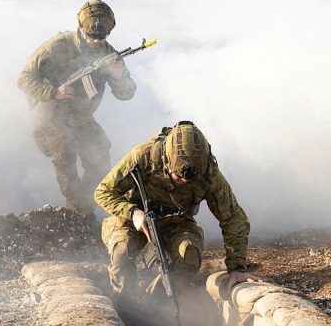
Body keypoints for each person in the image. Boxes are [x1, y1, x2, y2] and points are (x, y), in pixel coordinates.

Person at [95, 121, 262, 304]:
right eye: (178, 177)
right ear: (166, 161)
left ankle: (155, 307)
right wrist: (133, 212)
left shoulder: (209, 174)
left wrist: (236, 267)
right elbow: (103, 192)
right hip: (134, 219)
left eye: (190, 180)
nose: (184, 182)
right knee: (122, 252)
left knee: (189, 256)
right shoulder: (144, 156)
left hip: (178, 221)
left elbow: (232, 217)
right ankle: (126, 306)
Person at [18, 0, 136, 218]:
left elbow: (126, 94)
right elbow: (24, 79)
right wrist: (54, 91)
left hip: (80, 116)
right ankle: (76, 209)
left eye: (102, 38)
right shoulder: (56, 46)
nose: (95, 42)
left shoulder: (109, 55)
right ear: (81, 28)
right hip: (48, 113)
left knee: (100, 150)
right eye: (91, 36)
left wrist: (119, 76)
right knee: (65, 151)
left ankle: (84, 208)